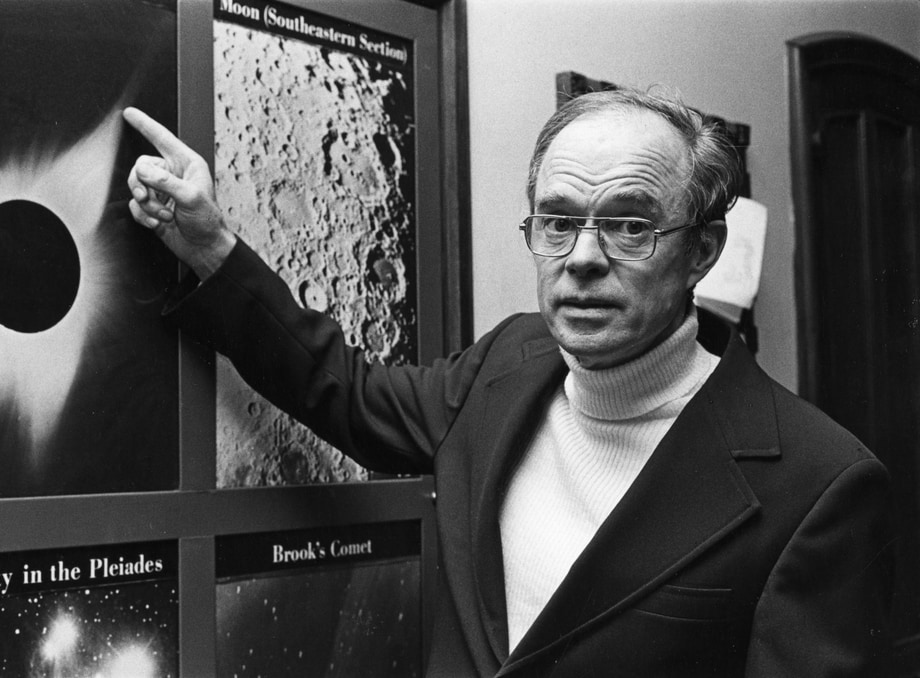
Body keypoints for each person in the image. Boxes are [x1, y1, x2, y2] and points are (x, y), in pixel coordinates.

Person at [123, 88, 894, 677]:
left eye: (630, 225)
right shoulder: (507, 362)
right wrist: (211, 247)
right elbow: (347, 391)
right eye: (557, 220)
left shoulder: (819, 484)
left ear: (701, 251)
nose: (583, 257)